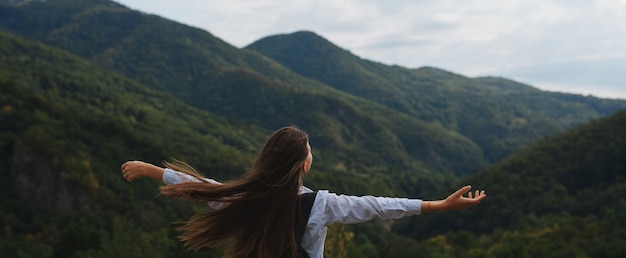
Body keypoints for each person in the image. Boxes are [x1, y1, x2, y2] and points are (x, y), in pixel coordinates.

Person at [121, 126, 486, 258]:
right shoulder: (321, 205)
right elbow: (377, 207)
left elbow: (202, 188)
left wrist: (155, 171)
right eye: (310, 151)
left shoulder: (246, 197)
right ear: (303, 166)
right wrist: (438, 205)